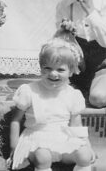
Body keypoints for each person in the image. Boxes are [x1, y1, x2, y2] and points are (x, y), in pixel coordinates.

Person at [8, 37, 94, 171]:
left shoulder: (73, 95)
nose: (53, 73)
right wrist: (14, 145)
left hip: (63, 139)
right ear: (41, 68)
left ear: (71, 71)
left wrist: (87, 146)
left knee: (85, 156)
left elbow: (76, 125)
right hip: (36, 139)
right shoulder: (29, 91)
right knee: (43, 157)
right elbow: (16, 119)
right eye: (47, 68)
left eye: (60, 70)